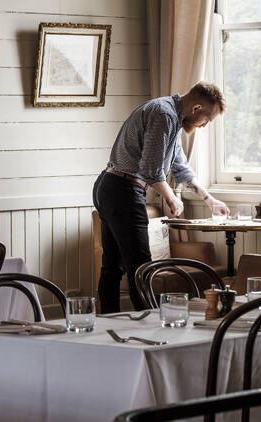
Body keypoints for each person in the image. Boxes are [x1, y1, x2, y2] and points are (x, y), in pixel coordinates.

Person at [92, 82, 229, 312]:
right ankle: (147, 321)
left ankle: (108, 322)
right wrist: (171, 198)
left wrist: (210, 200)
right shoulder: (164, 115)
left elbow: (179, 167)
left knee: (113, 266)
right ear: (196, 108)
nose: (204, 125)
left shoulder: (172, 116)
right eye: (207, 119)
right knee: (141, 266)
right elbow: (151, 170)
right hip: (123, 190)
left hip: (111, 185)